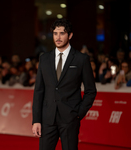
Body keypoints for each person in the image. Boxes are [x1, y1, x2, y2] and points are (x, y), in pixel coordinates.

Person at [32, 19, 97, 150]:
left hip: (70, 118)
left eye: (62, 33)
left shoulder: (81, 59)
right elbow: (39, 91)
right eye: (55, 33)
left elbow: (91, 90)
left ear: (70, 35)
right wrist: (36, 120)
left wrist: (79, 113)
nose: (58, 37)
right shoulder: (44, 59)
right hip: (47, 119)